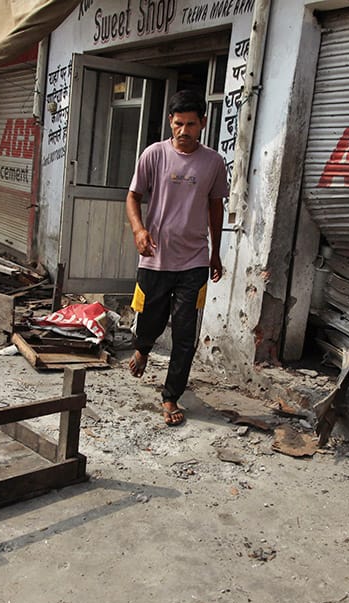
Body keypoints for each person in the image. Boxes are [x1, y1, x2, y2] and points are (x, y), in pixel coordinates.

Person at [125, 89, 229, 426]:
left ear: (203, 124)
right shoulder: (154, 155)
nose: (184, 131)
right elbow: (133, 196)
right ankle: (143, 346)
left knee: (185, 332)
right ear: (171, 121)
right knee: (150, 316)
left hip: (194, 260)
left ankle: (171, 397)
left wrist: (215, 253)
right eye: (179, 124)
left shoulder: (213, 162)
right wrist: (139, 230)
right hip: (155, 257)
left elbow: (216, 206)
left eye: (191, 125)